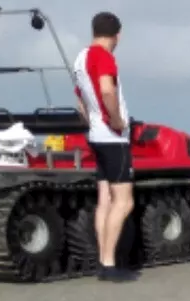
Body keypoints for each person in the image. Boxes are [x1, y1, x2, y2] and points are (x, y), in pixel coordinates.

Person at [72, 11, 137, 282]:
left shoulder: (80, 58)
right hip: (112, 137)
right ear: (117, 34)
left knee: (104, 200)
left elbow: (81, 102)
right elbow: (107, 90)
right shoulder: (104, 57)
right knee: (124, 202)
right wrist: (117, 120)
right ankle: (109, 265)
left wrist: (94, 122)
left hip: (96, 135)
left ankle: (103, 260)